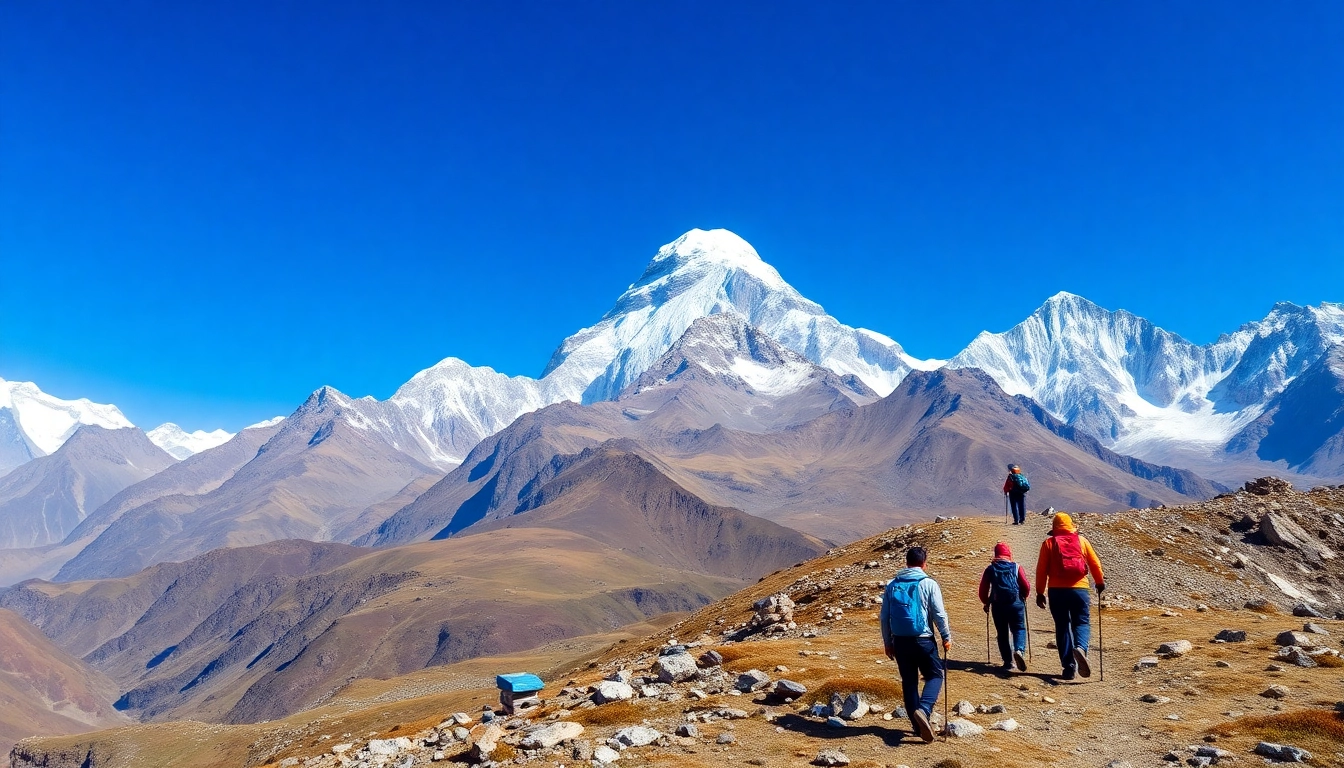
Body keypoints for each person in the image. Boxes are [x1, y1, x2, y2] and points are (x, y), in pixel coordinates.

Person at [881, 546, 953, 743]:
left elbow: (885, 616)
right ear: (924, 563)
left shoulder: (892, 584)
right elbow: (939, 613)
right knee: (935, 675)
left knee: (909, 682)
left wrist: (888, 642)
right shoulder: (929, 583)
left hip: (900, 641)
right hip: (923, 640)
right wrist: (946, 636)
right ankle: (924, 710)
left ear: (906, 563)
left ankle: (918, 727)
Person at [1034, 512, 1105, 680]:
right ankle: (1080, 647)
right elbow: (1095, 563)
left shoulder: (1048, 543)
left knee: (1062, 627)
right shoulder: (1082, 541)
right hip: (1079, 590)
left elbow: (1041, 570)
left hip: (1056, 591)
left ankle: (1068, 668)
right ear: (1071, 525)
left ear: (1054, 528)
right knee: (1081, 622)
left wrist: (1039, 592)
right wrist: (1100, 582)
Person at [978, 541, 1031, 673]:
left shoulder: (990, 569)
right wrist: (1024, 596)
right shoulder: (1016, 567)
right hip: (1016, 603)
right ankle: (1019, 650)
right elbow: (1025, 585)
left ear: (996, 554)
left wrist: (986, 602)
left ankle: (1008, 662)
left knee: (1002, 633)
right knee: (1019, 628)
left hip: (998, 605)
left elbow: (983, 590)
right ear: (1009, 554)